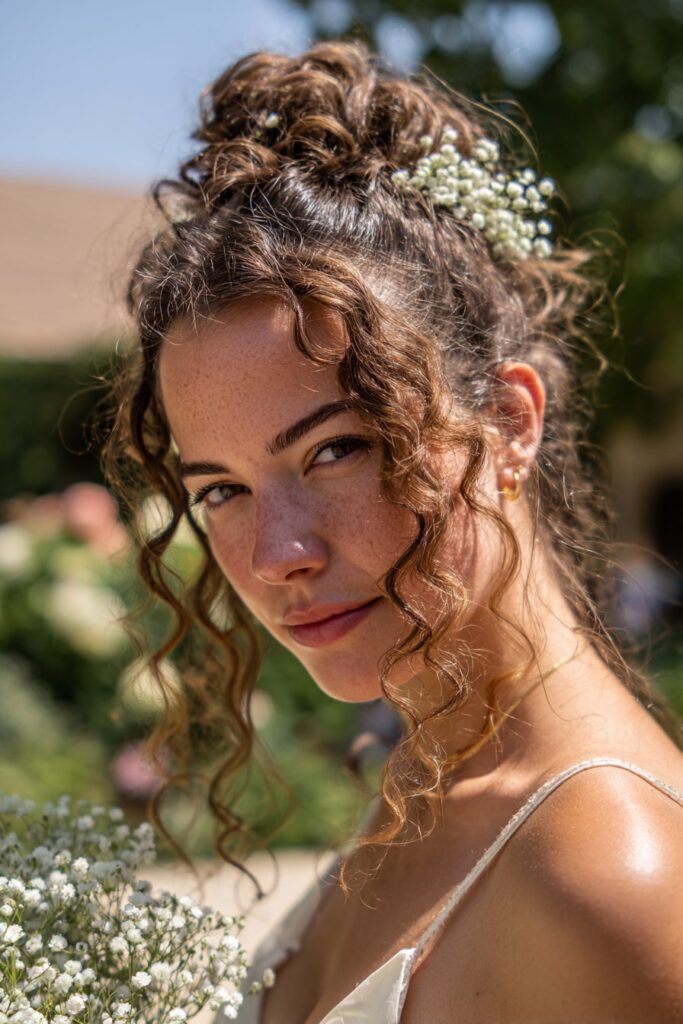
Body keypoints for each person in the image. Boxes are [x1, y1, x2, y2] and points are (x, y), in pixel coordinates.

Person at [105, 40, 683, 1024]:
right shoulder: (426, 775)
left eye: (333, 450)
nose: (275, 553)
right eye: (220, 490)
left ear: (507, 421)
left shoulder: (607, 874)